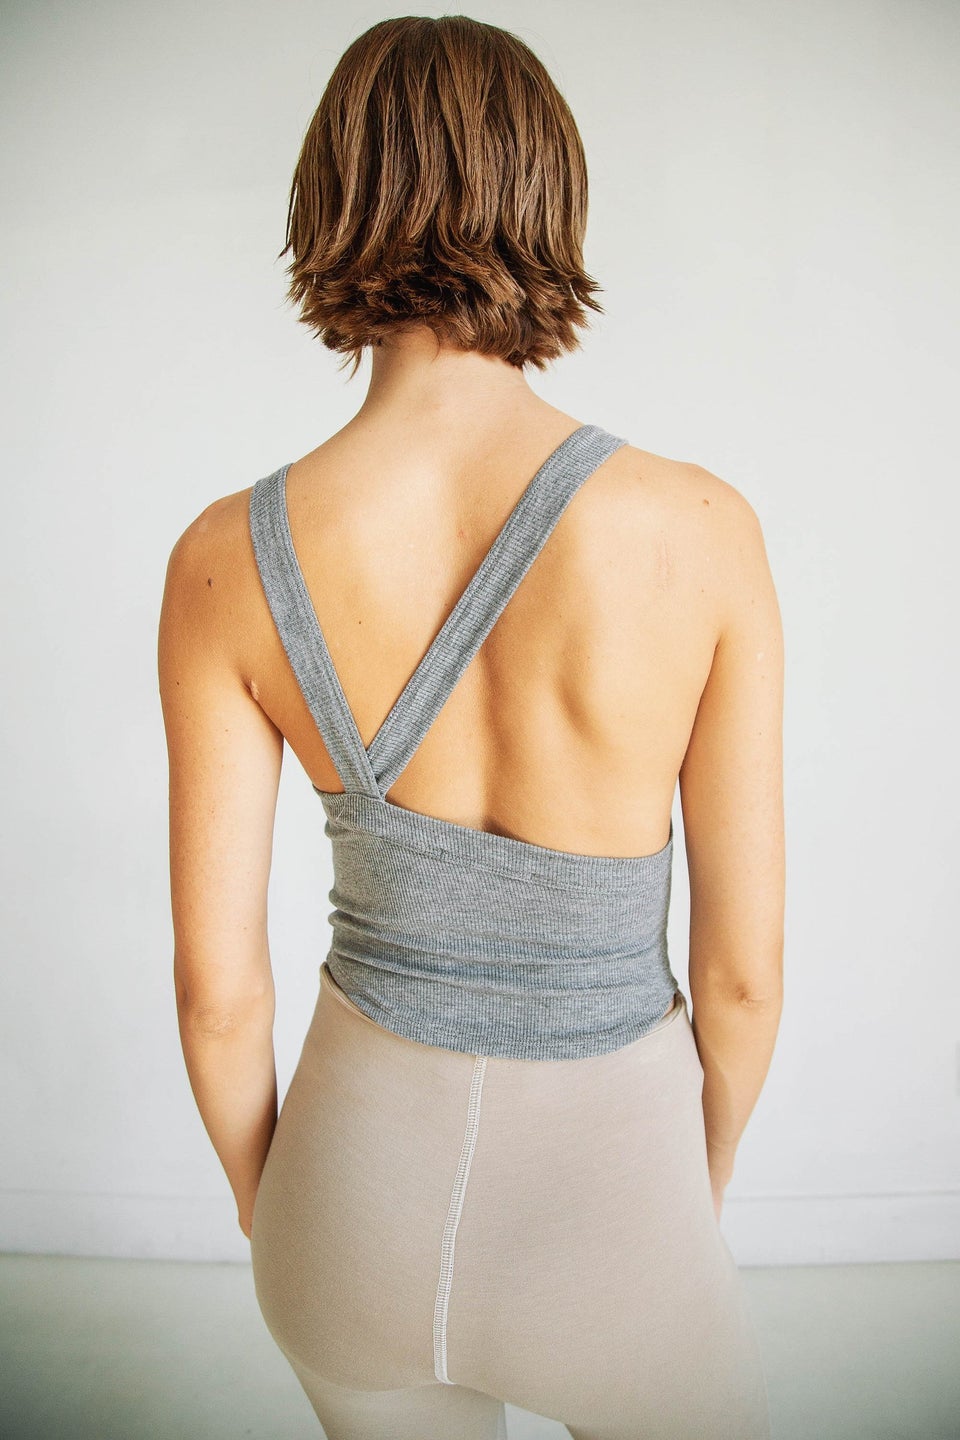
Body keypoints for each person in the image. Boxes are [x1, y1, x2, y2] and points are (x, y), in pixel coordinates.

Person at [157, 14, 784, 1440]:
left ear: (331, 199)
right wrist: (689, 1196)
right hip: (619, 1211)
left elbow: (217, 995)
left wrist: (275, 1213)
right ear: (548, 195)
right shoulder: (699, 529)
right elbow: (743, 981)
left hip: (346, 1200)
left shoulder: (222, 560)